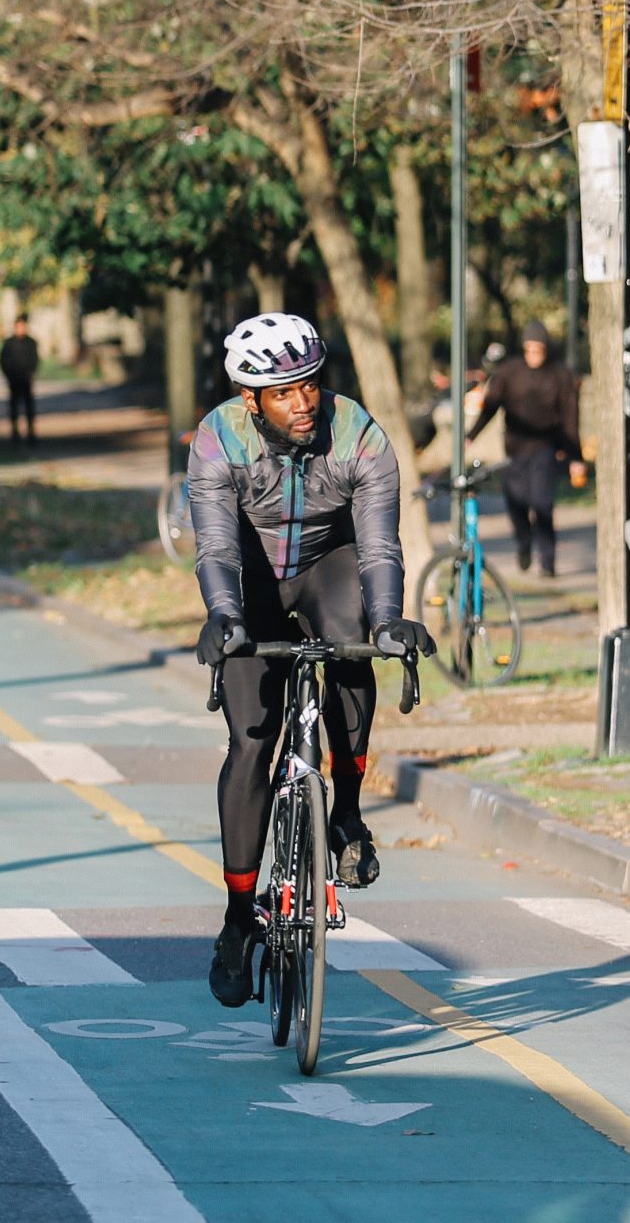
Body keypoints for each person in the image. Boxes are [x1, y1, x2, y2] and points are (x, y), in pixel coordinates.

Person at [186, 312, 433, 1008]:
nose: (303, 403)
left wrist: (389, 621)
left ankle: (347, 816)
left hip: (331, 562)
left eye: (310, 385)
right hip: (252, 581)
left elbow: (381, 544)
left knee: (352, 641)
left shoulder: (359, 435)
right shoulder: (216, 443)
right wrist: (225, 617)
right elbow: (216, 549)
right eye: (284, 393)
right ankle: (238, 920)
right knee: (251, 741)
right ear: (251, 401)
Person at [468, 321, 585, 575]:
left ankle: (547, 561)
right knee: (517, 503)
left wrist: (576, 456)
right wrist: (471, 435)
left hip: (545, 448)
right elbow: (491, 407)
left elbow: (570, 418)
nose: (533, 355)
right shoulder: (509, 373)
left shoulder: (559, 375)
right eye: (529, 349)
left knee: (542, 503)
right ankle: (523, 543)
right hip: (514, 449)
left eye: (538, 350)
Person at [0, 316, 41, 445]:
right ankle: (15, 433)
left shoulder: (30, 342)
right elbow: (3, 361)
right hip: (14, 379)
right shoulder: (9, 343)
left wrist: (31, 372)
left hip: (26, 379)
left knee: (29, 407)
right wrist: (9, 374)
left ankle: (31, 433)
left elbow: (35, 359)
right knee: (14, 407)